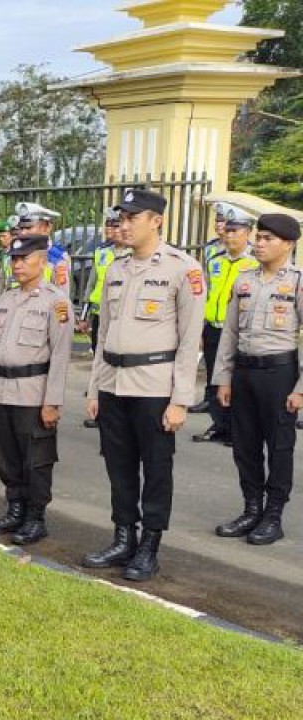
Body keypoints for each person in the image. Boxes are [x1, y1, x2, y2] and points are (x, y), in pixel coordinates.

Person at [83, 188, 203, 582]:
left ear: (156, 220)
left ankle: (149, 545)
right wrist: (94, 389)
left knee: (155, 469)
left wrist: (180, 400)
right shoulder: (116, 268)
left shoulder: (182, 269)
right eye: (122, 217)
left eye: (133, 217)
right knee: (118, 467)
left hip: (154, 387)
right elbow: (103, 335)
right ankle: (123, 537)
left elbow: (189, 340)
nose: (124, 224)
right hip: (114, 384)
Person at [210, 213, 302, 546]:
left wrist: (300, 389)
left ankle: (273, 515)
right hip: (244, 373)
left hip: (280, 373)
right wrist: (223, 379)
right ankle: (251, 508)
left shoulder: (297, 281)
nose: (259, 244)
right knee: (245, 446)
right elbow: (230, 333)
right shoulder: (244, 279)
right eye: (258, 237)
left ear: (288, 244)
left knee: (279, 447)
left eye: (267, 239)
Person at [0, 235, 73, 545]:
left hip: (34, 393)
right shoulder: (7, 299)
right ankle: (14, 510)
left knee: (36, 460)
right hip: (4, 389)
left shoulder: (55, 301)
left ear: (42, 262)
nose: (17, 265)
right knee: (6, 457)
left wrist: (52, 402)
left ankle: (35, 518)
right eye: (14, 259)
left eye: (24, 259)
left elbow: (60, 356)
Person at [194, 206, 258, 445]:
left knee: (237, 383)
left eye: (235, 230)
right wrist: (201, 327)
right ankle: (219, 424)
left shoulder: (254, 262)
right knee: (214, 378)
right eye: (227, 230)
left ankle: (237, 429)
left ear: (248, 232)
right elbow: (206, 295)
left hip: (239, 331)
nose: (229, 235)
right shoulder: (215, 260)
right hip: (213, 327)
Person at [78, 209, 130, 429]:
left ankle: (116, 413)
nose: (111, 230)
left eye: (115, 225)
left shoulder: (131, 252)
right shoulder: (101, 252)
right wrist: (84, 315)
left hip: (122, 317)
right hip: (101, 314)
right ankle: (99, 406)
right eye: (108, 226)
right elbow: (91, 285)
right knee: (101, 361)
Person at [14, 202, 72, 295]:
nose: (23, 233)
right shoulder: (15, 256)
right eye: (21, 228)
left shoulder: (57, 259)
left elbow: (61, 298)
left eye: (29, 227)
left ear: (47, 228)